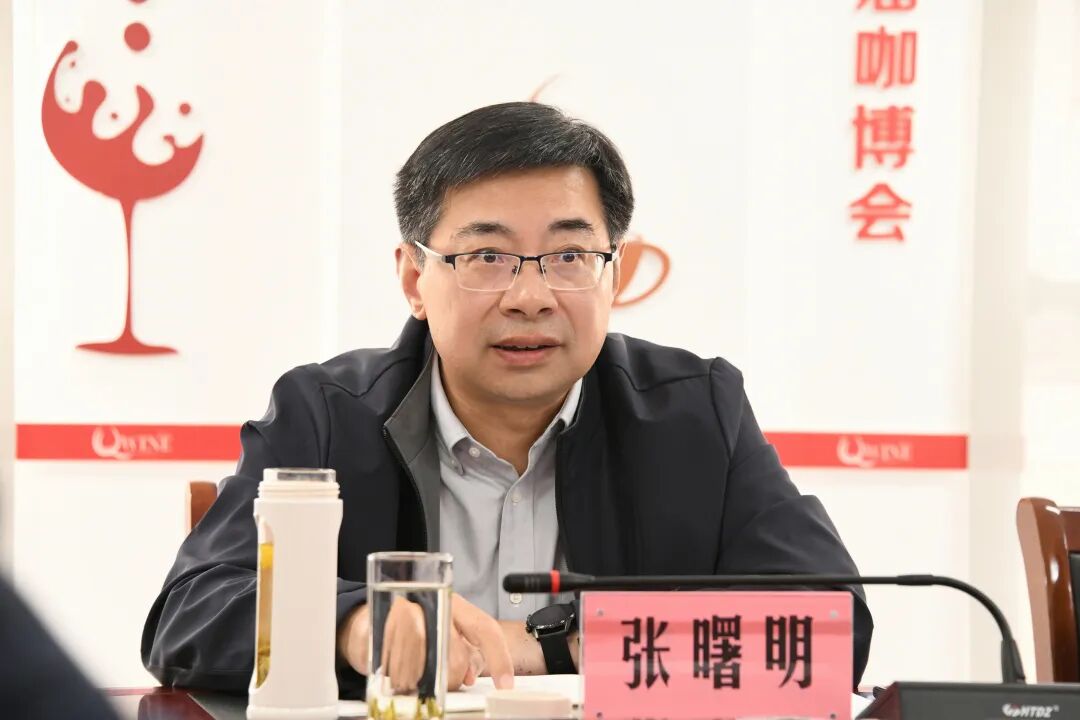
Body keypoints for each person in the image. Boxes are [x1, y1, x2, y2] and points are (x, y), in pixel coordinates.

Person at [142, 102, 872, 698]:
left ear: (614, 275)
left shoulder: (695, 413)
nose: (530, 297)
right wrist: (356, 624)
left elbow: (827, 629)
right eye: (487, 256)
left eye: (569, 256)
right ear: (414, 280)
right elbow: (190, 614)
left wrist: (546, 645)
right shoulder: (327, 414)